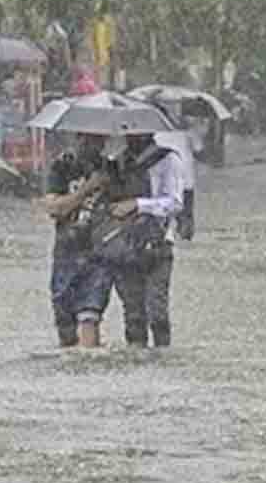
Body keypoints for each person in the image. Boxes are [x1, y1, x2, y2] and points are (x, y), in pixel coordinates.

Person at [106, 132, 185, 348]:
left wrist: (139, 205)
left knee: (157, 312)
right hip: (125, 244)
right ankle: (137, 359)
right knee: (133, 315)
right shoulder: (117, 162)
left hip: (158, 244)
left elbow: (175, 203)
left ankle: (162, 355)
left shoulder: (168, 159)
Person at [43, 133, 113, 347]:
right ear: (78, 138)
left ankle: (89, 362)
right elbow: (54, 209)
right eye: (88, 139)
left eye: (99, 139)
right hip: (66, 252)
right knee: (65, 323)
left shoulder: (111, 168)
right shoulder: (62, 166)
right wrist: (87, 189)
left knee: (90, 315)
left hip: (99, 254)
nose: (94, 144)